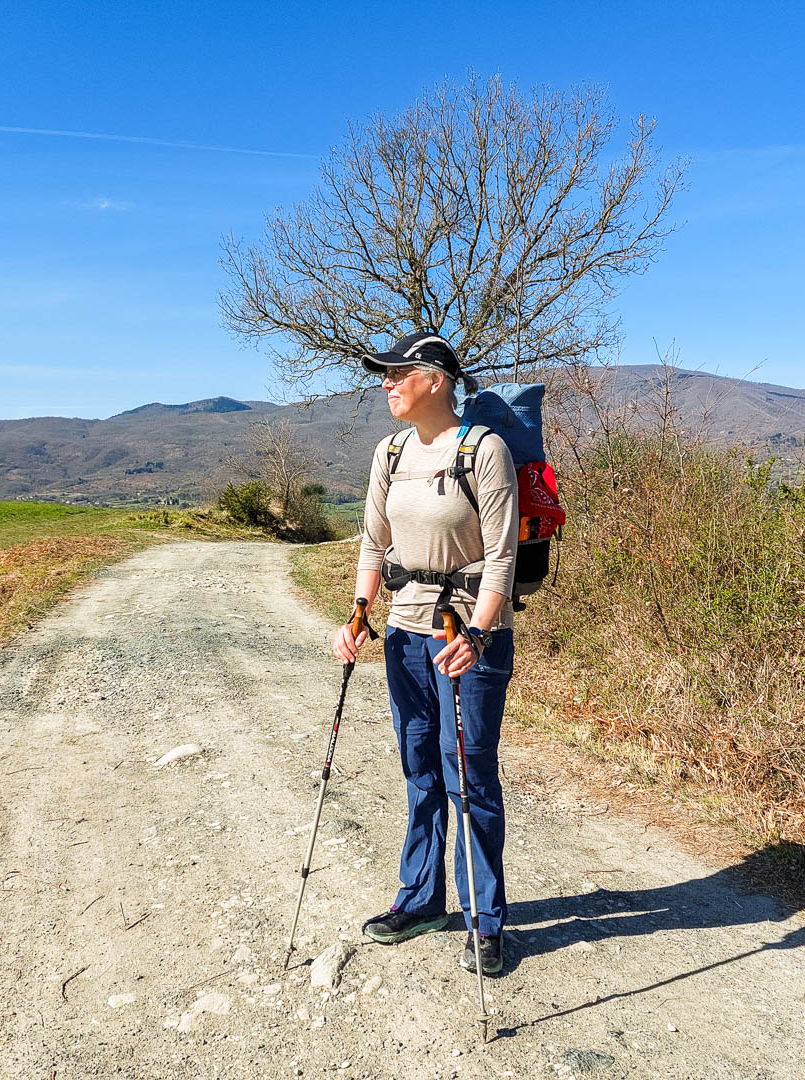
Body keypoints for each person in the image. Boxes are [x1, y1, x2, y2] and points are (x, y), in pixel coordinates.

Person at [330, 330, 518, 976]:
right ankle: (420, 901)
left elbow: (502, 557)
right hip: (406, 635)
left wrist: (479, 634)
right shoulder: (388, 452)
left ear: (435, 379)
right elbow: (372, 544)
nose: (387, 382)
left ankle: (487, 921)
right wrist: (358, 614)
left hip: (465, 640)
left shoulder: (484, 450)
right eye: (384, 374)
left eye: (397, 373)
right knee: (420, 771)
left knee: (469, 776)